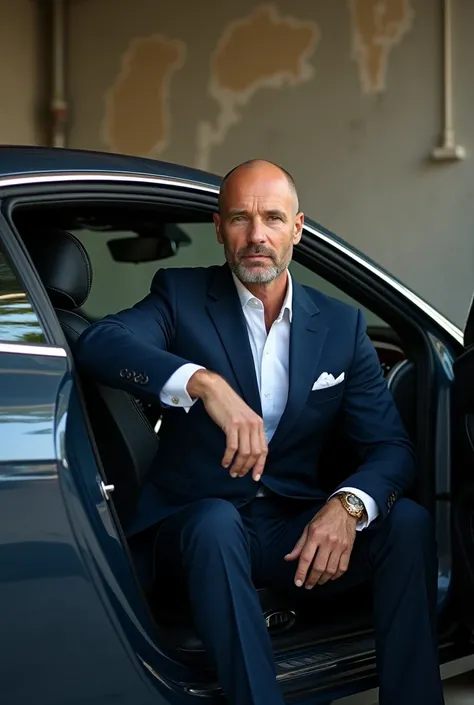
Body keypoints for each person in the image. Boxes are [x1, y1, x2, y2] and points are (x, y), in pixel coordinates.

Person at [75, 160, 444, 705]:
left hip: (288, 527)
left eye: (272, 218)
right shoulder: (179, 295)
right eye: (240, 219)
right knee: (216, 522)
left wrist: (347, 507)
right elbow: (100, 343)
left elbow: (390, 448)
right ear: (219, 227)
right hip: (195, 527)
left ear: (298, 228)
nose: (256, 236)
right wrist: (203, 383)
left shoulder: (341, 326)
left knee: (406, 523)